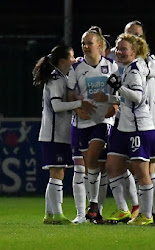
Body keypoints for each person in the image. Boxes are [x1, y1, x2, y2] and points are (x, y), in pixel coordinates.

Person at [93, 33, 155, 225]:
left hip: (138, 127)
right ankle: (123, 210)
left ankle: (146, 215)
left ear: (134, 51)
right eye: (118, 49)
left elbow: (137, 97)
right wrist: (109, 98)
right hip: (125, 125)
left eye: (123, 49)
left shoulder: (136, 70)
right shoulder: (127, 68)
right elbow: (127, 100)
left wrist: (118, 87)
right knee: (112, 166)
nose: (119, 52)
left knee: (141, 170)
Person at [33, 45, 95, 225]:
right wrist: (78, 105)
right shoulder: (55, 79)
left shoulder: (62, 78)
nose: (75, 59)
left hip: (58, 134)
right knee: (57, 173)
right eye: (72, 56)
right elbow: (57, 106)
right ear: (63, 60)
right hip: (53, 135)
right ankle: (57, 214)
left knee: (55, 173)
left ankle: (49, 214)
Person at [68, 26, 119, 223]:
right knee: (89, 165)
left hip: (103, 119)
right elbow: (70, 93)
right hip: (82, 122)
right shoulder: (76, 68)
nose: (85, 46)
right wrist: (75, 107)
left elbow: (119, 92)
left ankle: (94, 205)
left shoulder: (111, 66)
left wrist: (114, 107)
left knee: (93, 156)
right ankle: (92, 210)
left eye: (89, 43)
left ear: (100, 45)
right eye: (83, 43)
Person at [124, 20, 155, 223]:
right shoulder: (124, 59)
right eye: (131, 34)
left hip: (147, 121)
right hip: (132, 121)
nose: (136, 38)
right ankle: (151, 212)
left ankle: (151, 213)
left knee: (145, 168)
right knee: (139, 167)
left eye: (139, 35)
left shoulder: (148, 61)